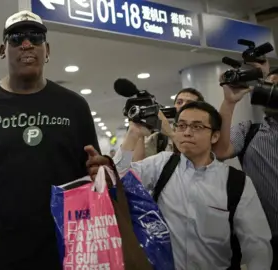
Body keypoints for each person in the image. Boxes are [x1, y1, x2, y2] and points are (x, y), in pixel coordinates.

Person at [0, 10, 150, 270]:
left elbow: (92, 176)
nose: (26, 44)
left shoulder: (73, 106)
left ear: (47, 49)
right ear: (2, 49)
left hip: (68, 252)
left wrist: (102, 170)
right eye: (16, 38)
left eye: (35, 37)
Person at [116, 101, 272, 269]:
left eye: (197, 127)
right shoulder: (162, 165)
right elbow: (117, 178)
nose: (187, 132)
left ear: (215, 136)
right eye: (181, 126)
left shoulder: (236, 182)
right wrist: (133, 134)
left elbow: (257, 245)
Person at [214, 61, 278, 268]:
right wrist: (229, 103)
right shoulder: (250, 131)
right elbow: (220, 151)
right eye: (269, 85)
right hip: (270, 239)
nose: (271, 91)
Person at [132, 88, 205, 161]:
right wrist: (140, 133)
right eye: (179, 102)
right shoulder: (159, 138)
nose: (183, 106)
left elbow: (195, 162)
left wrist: (170, 133)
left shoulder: (204, 133)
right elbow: (138, 167)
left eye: (189, 104)